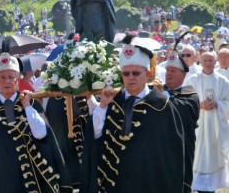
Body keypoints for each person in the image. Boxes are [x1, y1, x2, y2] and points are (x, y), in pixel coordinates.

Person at [81, 35, 194, 193]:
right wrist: (102, 106)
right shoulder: (114, 100)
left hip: (148, 183)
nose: (131, 78)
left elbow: (173, 155)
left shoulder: (163, 106)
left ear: (147, 74)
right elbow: (96, 135)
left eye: (135, 73)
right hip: (114, 184)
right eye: (126, 74)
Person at [0, 52, 72, 192]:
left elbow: (41, 134)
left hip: (31, 177)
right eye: (2, 78)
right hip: (1, 179)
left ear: (18, 80)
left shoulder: (31, 103)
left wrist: (27, 107)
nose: (7, 81)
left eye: (11, 77)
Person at [186, 51, 229, 193]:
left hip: (215, 127)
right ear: (200, 61)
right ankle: (194, 185)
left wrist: (218, 105)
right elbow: (184, 102)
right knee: (196, 154)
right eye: (205, 60)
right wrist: (199, 106)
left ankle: (210, 188)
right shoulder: (192, 80)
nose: (208, 63)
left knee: (212, 156)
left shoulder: (223, 81)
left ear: (215, 61)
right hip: (197, 125)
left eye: (211, 60)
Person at [164, 48, 200, 193]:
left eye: (173, 71)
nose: (169, 74)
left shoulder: (190, 95)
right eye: (167, 70)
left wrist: (161, 97)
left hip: (180, 150)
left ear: (184, 75)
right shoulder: (158, 90)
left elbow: (181, 111)